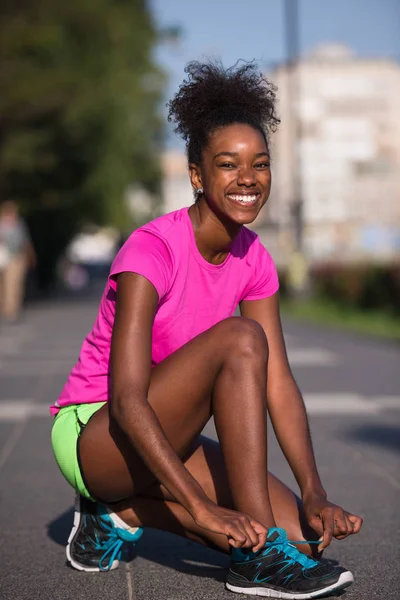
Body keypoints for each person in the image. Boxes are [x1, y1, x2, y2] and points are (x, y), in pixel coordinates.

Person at [50, 61, 362, 598]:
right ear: (197, 175)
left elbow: (278, 384)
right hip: (95, 434)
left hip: (167, 428)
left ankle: (121, 512)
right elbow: (126, 401)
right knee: (242, 339)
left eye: (260, 165)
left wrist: (314, 490)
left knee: (308, 540)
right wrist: (202, 506)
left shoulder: (255, 257)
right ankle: (256, 560)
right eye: (227, 164)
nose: (248, 178)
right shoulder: (151, 250)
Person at [0, 200, 36, 323]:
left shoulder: (19, 224)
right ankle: (5, 307)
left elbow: (26, 241)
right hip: (4, 258)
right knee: (4, 284)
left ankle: (12, 309)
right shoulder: (2, 225)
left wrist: (31, 255)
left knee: (14, 283)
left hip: (17, 258)